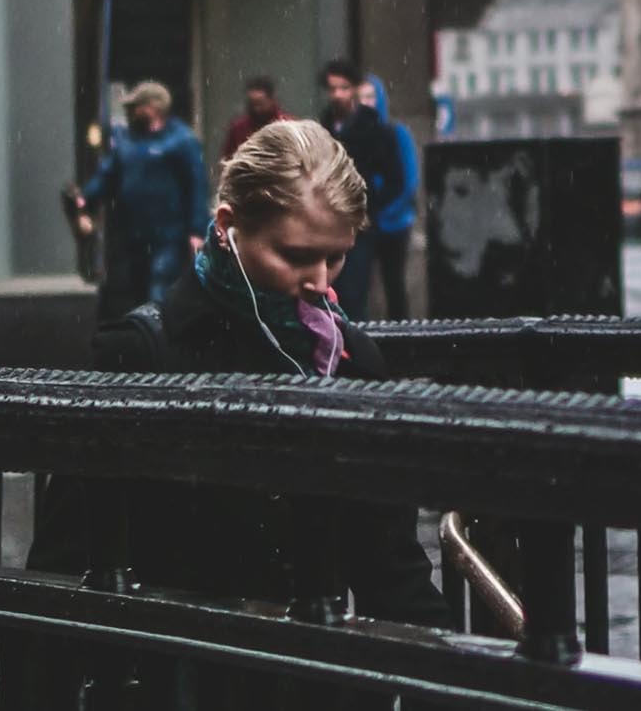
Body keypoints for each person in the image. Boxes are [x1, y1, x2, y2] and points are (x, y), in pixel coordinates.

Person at [30, 120, 445, 691]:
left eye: (337, 258)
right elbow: (62, 562)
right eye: (297, 255)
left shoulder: (351, 360)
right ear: (227, 228)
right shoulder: (145, 353)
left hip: (305, 686)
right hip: (177, 683)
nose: (321, 284)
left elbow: (389, 567)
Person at [68, 80, 207, 319]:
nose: (131, 112)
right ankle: (143, 340)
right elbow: (107, 175)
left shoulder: (181, 141)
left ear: (154, 107)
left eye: (137, 106)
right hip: (133, 233)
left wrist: (197, 229)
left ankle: (158, 341)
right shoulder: (127, 141)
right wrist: (86, 199)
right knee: (136, 290)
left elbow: (197, 186)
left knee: (159, 287)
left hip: (168, 233)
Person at [320, 55, 403, 318]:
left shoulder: (374, 128)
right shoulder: (325, 125)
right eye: (333, 89)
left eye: (343, 88)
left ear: (354, 89)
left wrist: (370, 208)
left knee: (355, 292)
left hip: (359, 222)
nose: (337, 95)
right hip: (330, 219)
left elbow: (395, 177)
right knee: (335, 291)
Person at [363, 72, 421, 320]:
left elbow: (409, 181)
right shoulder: (358, 135)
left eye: (370, 96)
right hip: (367, 224)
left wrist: (385, 213)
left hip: (394, 223)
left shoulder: (397, 134)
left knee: (394, 284)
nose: (366, 102)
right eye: (361, 97)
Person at [221, 73, 289, 164]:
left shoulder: (287, 125)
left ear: (271, 100)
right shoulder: (239, 128)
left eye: (260, 104)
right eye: (252, 104)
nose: (256, 109)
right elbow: (228, 160)